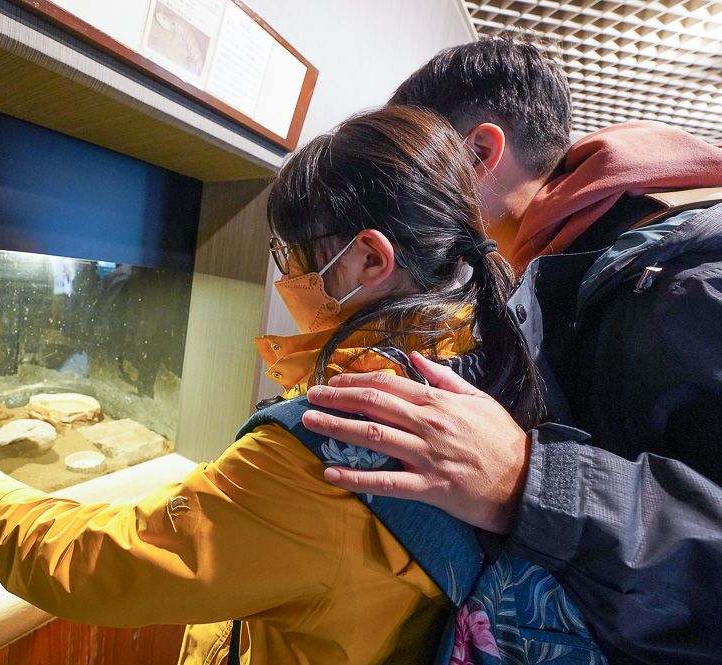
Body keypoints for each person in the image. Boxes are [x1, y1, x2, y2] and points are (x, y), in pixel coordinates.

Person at [0, 106, 554, 664]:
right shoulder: (492, 359)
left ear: (371, 258)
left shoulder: (325, 446)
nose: (288, 277)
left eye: (292, 256)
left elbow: (101, 565)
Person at [302, 37, 722, 664]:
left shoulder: (696, 275)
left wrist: (527, 479)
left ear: (479, 152)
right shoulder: (561, 273)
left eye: (413, 160)